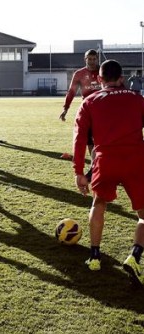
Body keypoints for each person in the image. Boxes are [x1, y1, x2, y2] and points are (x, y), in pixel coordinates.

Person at [73, 59, 144, 286]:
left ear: (100, 80)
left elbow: (79, 139)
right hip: (135, 159)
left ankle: (94, 257)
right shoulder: (137, 99)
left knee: (98, 204)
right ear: (122, 78)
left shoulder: (89, 102)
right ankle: (135, 255)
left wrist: (78, 172)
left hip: (105, 161)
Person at [59, 49, 101, 179]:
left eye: (94, 59)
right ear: (85, 59)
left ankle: (103, 167)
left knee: (103, 141)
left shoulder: (103, 71)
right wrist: (66, 108)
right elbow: (71, 92)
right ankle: (95, 167)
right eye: (90, 59)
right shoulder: (79, 74)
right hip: (88, 111)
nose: (92, 61)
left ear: (97, 59)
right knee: (90, 142)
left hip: (103, 111)